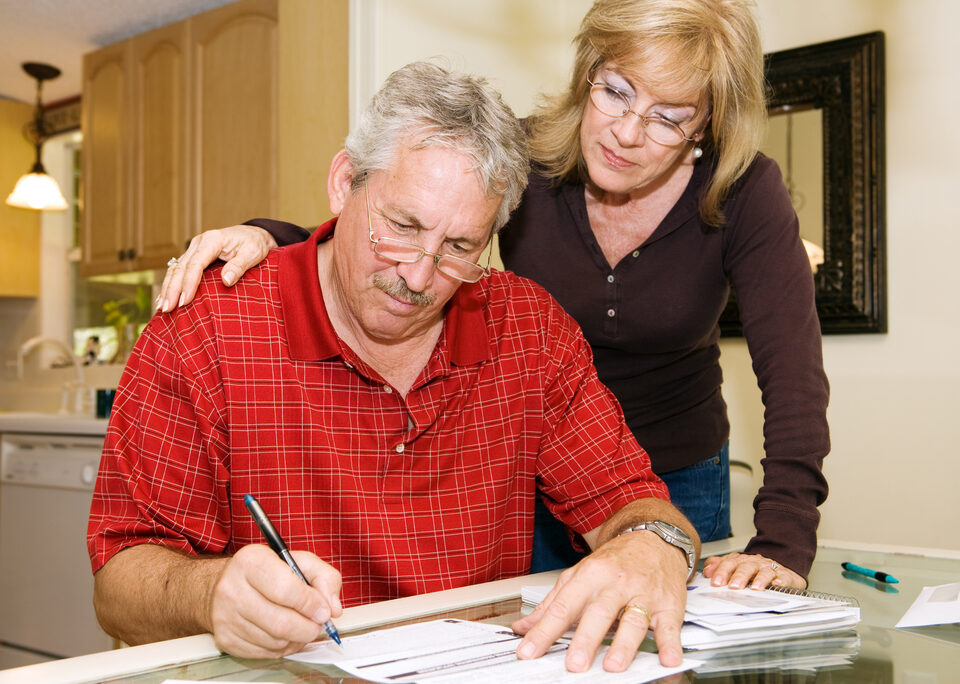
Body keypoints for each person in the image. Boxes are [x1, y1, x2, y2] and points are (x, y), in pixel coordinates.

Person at [159, 0, 829, 591]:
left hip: (673, 469)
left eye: (668, 118)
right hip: (534, 462)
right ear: (587, 72)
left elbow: (793, 378)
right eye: (617, 93)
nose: (627, 132)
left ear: (706, 126)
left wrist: (785, 544)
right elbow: (402, 219)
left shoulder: (743, 193)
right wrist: (269, 236)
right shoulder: (526, 158)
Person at [88, 61, 700, 674]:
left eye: (459, 248)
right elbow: (119, 585)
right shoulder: (204, 329)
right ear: (344, 181)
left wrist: (653, 545)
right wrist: (211, 594)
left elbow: (633, 504)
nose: (418, 276)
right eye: (402, 228)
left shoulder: (529, 330)